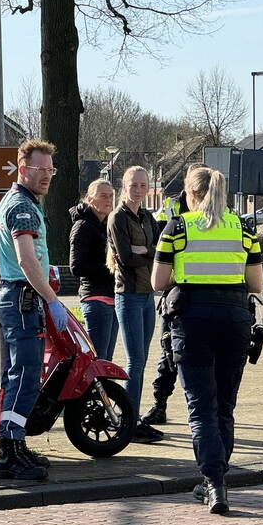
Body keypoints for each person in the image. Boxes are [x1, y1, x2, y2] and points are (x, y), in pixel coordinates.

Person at [151, 167, 263, 515]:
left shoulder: (178, 227)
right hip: (234, 319)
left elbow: (157, 281)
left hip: (192, 319)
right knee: (224, 405)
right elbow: (256, 284)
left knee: (200, 406)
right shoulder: (244, 229)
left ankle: (213, 482)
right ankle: (218, 479)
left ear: (190, 192)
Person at [0, 138, 68, 481]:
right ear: (23, 169)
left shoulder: (17, 202)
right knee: (25, 376)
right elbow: (25, 258)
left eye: (51, 170)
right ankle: (10, 451)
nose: (47, 176)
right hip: (23, 299)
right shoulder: (22, 207)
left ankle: (14, 446)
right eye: (40, 169)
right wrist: (51, 298)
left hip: (14, 296)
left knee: (17, 375)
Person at [142, 161, 207, 426]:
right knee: (169, 350)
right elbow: (154, 245)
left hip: (207, 289)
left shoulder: (221, 209)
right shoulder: (169, 208)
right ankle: (160, 403)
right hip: (175, 291)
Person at [107, 166, 163, 444]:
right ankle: (129, 421)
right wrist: (146, 254)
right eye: (134, 185)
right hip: (128, 294)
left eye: (143, 185)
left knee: (141, 362)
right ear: (124, 185)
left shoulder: (147, 216)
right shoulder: (117, 217)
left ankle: (133, 419)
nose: (138, 190)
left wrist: (147, 251)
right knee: (135, 361)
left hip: (147, 295)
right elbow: (127, 258)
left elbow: (161, 250)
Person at [69, 179, 118, 362]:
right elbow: (76, 266)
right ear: (90, 199)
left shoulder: (108, 224)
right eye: (103, 196)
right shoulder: (82, 226)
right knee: (98, 359)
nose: (108, 200)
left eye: (111, 196)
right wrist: (112, 269)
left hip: (113, 297)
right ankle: (93, 391)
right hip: (95, 297)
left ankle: (104, 391)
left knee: (106, 359)